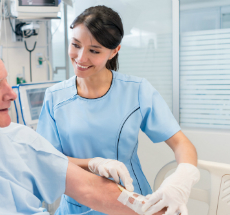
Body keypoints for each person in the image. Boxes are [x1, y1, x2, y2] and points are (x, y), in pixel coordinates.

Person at [0, 42, 167, 215]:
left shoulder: (17, 137)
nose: (11, 94)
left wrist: (152, 210)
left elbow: (90, 189)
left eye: (6, 82)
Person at [36, 5, 200, 215]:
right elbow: (48, 159)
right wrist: (92, 164)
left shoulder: (136, 91)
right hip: (77, 206)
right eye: (75, 45)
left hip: (132, 204)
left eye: (94, 51)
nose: (81, 57)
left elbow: (182, 144)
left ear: (114, 51)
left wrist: (183, 177)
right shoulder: (55, 97)